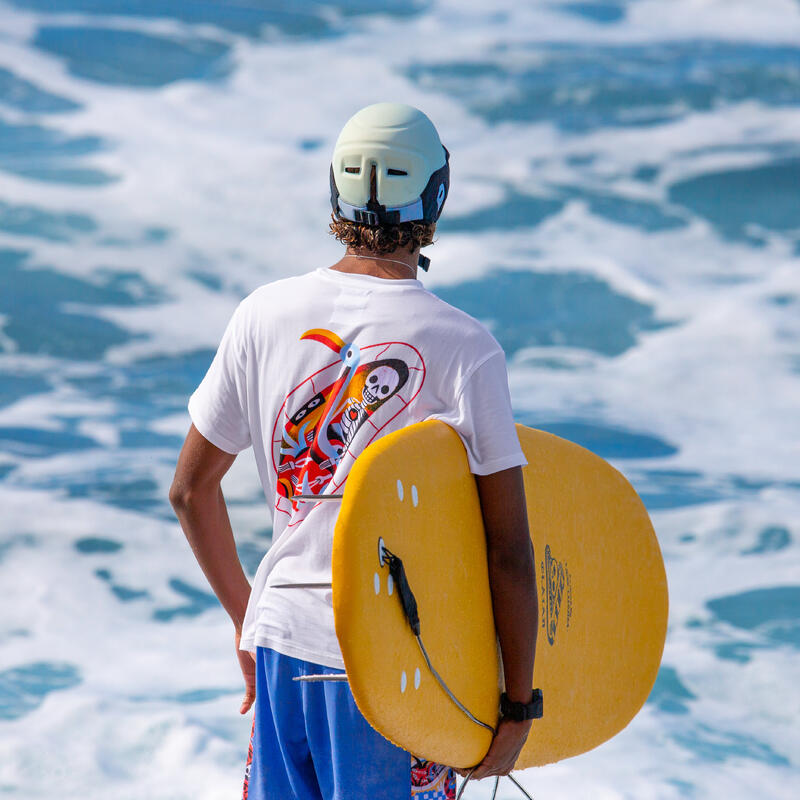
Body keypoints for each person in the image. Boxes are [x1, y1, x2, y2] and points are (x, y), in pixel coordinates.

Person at [170, 102, 539, 800]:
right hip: (393, 668)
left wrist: (248, 620)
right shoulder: (464, 348)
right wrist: (518, 706)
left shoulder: (263, 314)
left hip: (282, 646)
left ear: (336, 193)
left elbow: (191, 491)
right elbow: (509, 552)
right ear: (437, 196)